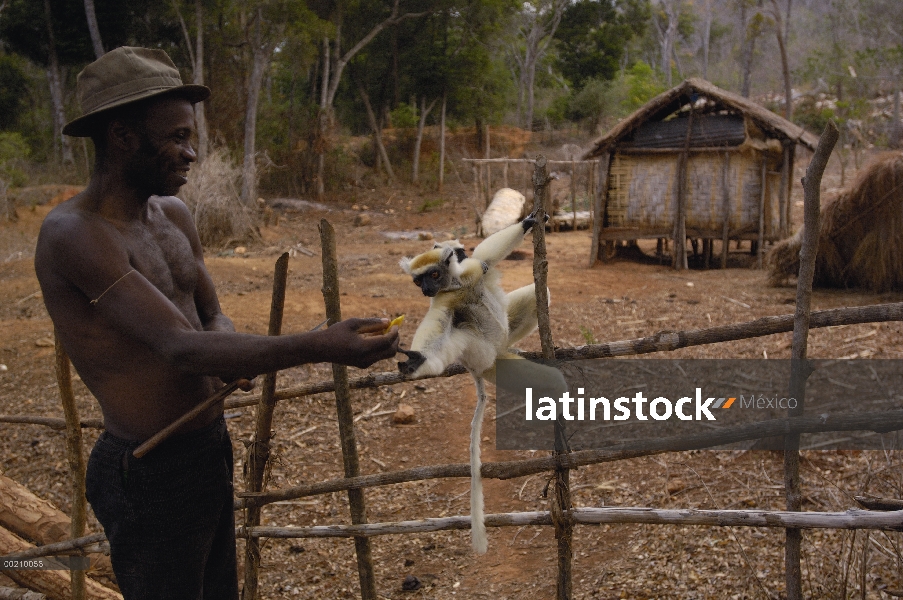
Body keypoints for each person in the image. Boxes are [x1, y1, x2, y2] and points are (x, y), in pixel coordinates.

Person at [34, 47, 399, 600]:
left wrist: (229, 348)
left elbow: (209, 316)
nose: (191, 152)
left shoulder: (173, 215)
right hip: (148, 468)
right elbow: (179, 347)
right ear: (122, 136)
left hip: (207, 447)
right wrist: (323, 343)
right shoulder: (74, 235)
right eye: (177, 137)